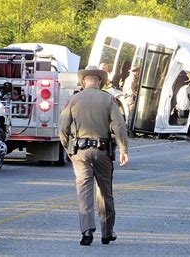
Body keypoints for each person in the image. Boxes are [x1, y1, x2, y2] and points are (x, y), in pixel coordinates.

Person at [59, 65, 129, 246]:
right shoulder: (108, 100)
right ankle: (107, 232)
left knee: (83, 191)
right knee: (105, 192)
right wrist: (123, 150)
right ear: (99, 81)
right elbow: (119, 125)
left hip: (80, 153)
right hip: (102, 151)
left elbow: (63, 126)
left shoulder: (73, 100)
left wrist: (68, 148)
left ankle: (87, 230)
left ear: (83, 82)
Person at [122, 64, 140, 131]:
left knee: (130, 114)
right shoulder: (132, 79)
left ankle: (129, 128)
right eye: (137, 71)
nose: (138, 73)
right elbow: (132, 90)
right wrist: (137, 95)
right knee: (131, 114)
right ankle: (129, 129)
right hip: (130, 98)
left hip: (127, 97)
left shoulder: (128, 78)